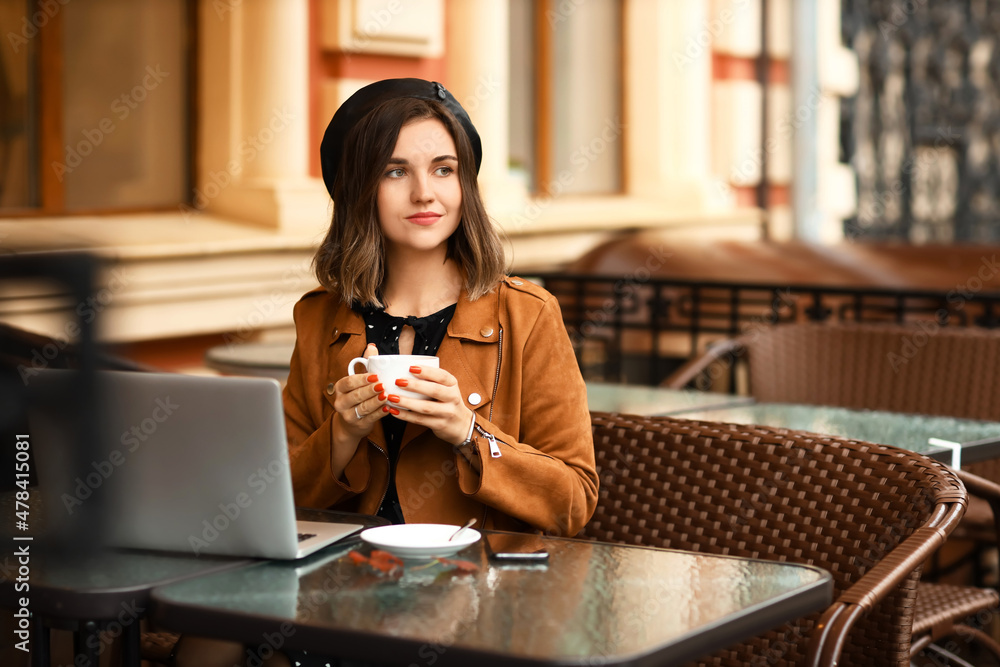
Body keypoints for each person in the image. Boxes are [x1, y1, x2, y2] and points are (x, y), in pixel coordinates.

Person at [285, 78, 598, 536]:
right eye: (395, 171)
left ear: (464, 185)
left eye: (443, 169)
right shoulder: (317, 316)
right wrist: (342, 434)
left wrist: (467, 431)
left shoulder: (527, 315)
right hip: (344, 585)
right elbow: (278, 500)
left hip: (480, 590)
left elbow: (572, 503)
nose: (423, 193)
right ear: (358, 190)